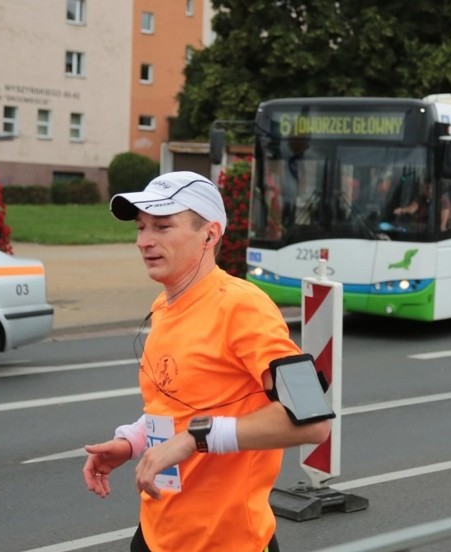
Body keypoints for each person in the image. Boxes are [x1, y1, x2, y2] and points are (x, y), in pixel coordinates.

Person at [82, 170, 331, 552]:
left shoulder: (243, 307)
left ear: (210, 234)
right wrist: (131, 441)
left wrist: (195, 438)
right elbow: (180, 401)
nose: (144, 241)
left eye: (163, 227)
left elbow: (313, 423)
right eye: (141, 228)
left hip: (226, 542)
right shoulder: (164, 306)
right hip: (156, 534)